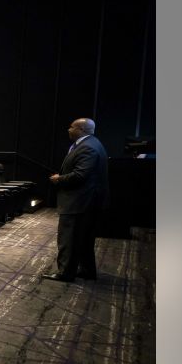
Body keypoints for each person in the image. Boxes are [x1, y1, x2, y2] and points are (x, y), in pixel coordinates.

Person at [45, 118, 109, 282]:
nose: (68, 129)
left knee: (69, 239)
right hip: (87, 201)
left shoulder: (87, 147)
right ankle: (87, 270)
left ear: (80, 129)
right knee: (84, 239)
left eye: (71, 127)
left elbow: (81, 175)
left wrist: (59, 179)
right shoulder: (93, 143)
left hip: (79, 202)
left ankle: (65, 273)